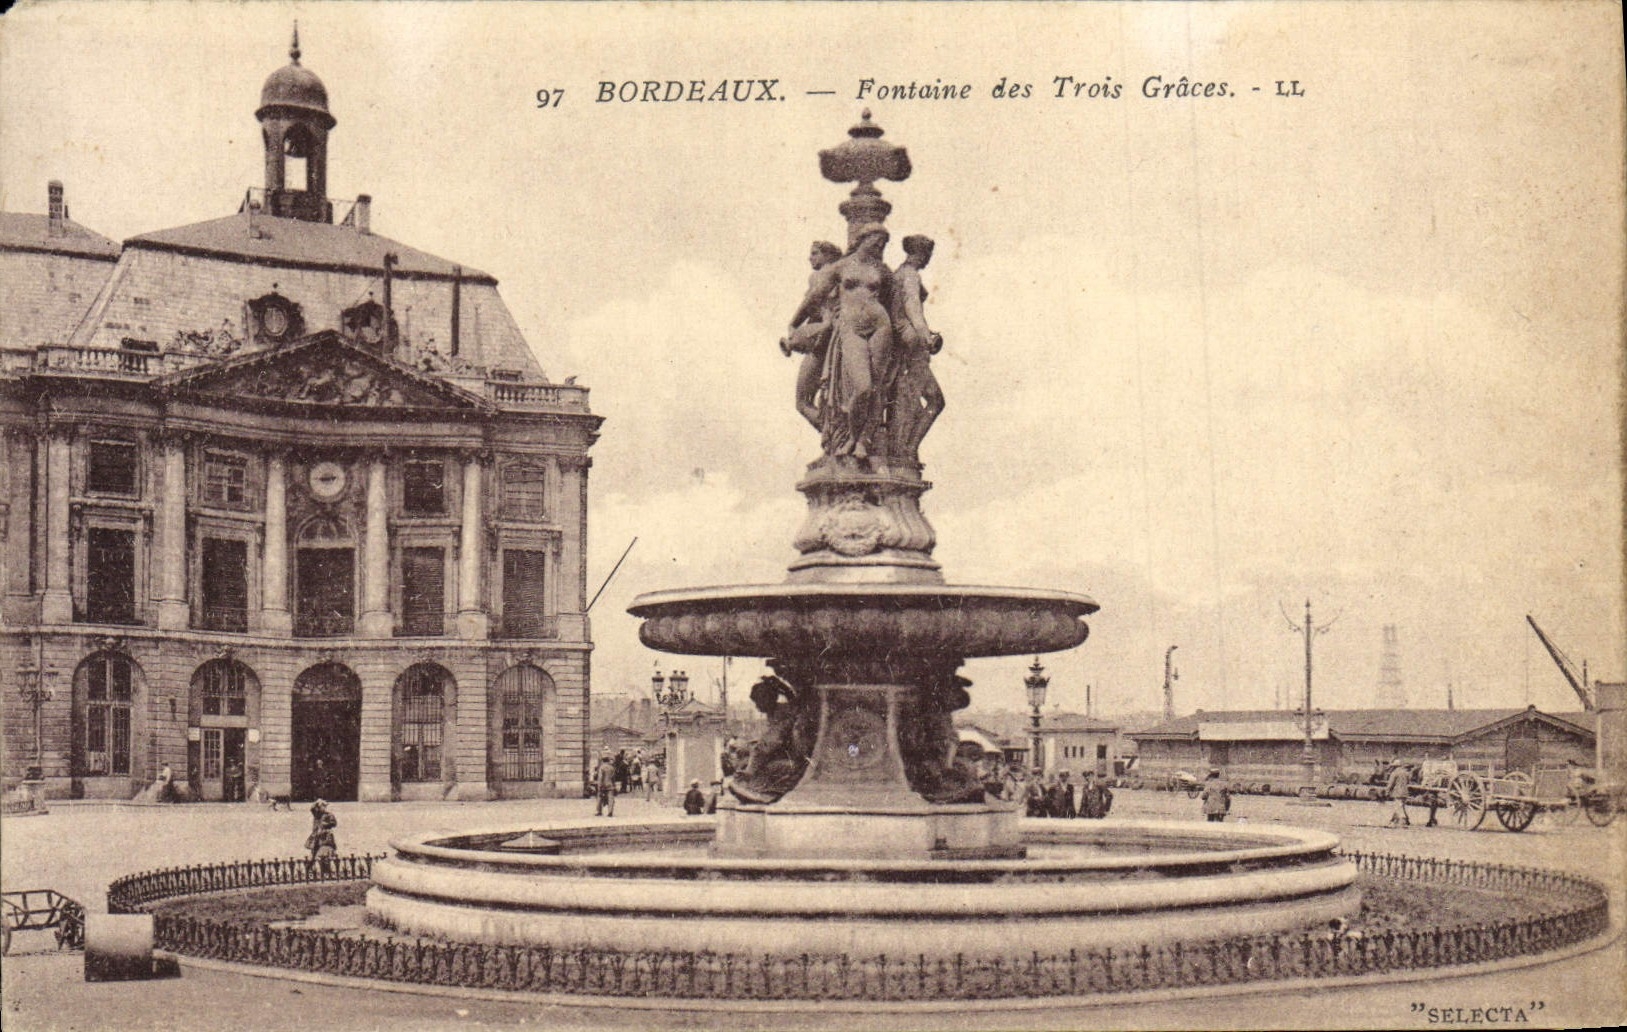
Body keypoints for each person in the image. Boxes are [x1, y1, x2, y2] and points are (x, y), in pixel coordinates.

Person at [785, 223, 896, 459]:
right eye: (877, 240)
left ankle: (863, 442)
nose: (880, 245)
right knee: (863, 387)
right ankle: (851, 437)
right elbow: (815, 297)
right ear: (863, 238)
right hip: (850, 327)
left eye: (884, 243)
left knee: (876, 389)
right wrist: (794, 323)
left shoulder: (882, 269)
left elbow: (898, 301)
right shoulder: (842, 266)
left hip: (880, 326)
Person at [886, 234, 945, 464]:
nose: (928, 260)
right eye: (928, 254)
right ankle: (907, 449)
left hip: (900, 346)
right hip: (912, 348)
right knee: (933, 401)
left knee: (907, 399)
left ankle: (905, 448)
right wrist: (927, 337)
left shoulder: (897, 274)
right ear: (922, 253)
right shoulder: (910, 276)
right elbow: (913, 309)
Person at [781, 240, 844, 431]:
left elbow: (809, 303)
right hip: (834, 336)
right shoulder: (843, 275)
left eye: (815, 253)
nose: (810, 257)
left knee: (802, 402)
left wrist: (793, 325)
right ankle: (834, 433)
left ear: (828, 256)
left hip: (821, 342)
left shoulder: (821, 275)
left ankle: (831, 434)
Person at [1385, 761, 1414, 827]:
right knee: (1400, 806)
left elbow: (1390, 784)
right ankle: (1393, 822)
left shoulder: (1394, 773)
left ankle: (1403, 821)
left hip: (1397, 792)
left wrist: (1387, 792)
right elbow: (1409, 782)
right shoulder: (1406, 773)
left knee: (1398, 807)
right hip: (1405, 792)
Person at [593, 752, 617, 817]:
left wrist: (599, 786)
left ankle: (599, 811)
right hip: (610, 785)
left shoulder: (602, 768)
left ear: (603, 761)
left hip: (603, 785)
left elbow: (600, 778)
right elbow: (613, 778)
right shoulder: (612, 768)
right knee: (611, 798)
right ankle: (610, 812)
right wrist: (614, 785)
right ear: (608, 760)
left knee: (600, 798)